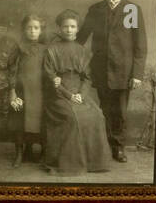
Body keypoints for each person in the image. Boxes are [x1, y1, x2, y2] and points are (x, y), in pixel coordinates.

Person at [77, 0, 147, 163]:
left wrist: (137, 74)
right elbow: (81, 38)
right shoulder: (96, 9)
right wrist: (62, 47)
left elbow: (140, 45)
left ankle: (118, 147)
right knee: (104, 110)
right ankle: (104, 146)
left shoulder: (131, 10)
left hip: (123, 72)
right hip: (100, 70)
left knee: (120, 112)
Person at [43, 10, 112, 175]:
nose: (68, 29)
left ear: (77, 29)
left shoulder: (82, 51)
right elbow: (50, 76)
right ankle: (71, 164)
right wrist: (69, 95)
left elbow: (87, 78)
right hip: (58, 95)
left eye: (72, 26)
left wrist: (81, 94)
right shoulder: (51, 50)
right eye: (65, 26)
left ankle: (93, 163)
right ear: (60, 28)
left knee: (97, 115)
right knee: (73, 117)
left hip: (79, 93)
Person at [7, 14, 46, 166]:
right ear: (24, 29)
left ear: (41, 30)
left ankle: (39, 152)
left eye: (36, 28)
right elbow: (12, 69)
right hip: (22, 90)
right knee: (19, 121)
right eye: (29, 28)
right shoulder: (19, 47)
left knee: (39, 121)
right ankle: (19, 153)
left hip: (40, 91)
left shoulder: (46, 48)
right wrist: (12, 91)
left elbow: (50, 70)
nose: (32, 31)